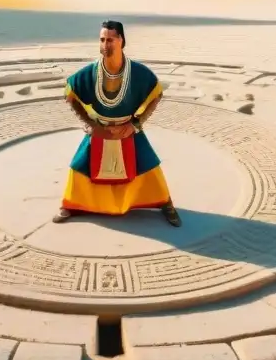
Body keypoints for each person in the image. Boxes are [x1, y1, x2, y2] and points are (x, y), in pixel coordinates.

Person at [54, 21, 181, 227]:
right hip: (100, 129)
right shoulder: (90, 72)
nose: (105, 44)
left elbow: (156, 95)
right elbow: (70, 94)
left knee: (148, 164)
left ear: (121, 41)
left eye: (110, 40)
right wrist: (89, 124)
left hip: (127, 129)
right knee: (79, 166)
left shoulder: (138, 73)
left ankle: (165, 203)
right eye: (102, 39)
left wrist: (136, 124)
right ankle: (70, 204)